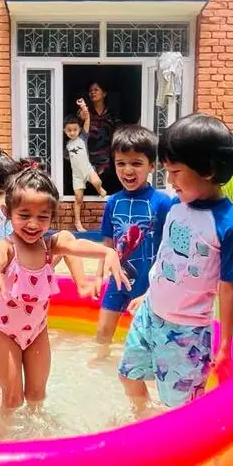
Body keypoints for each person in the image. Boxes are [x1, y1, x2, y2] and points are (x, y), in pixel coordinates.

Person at [119, 114, 233, 413]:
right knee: (128, 375)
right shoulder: (176, 206)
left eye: (176, 171)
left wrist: (226, 342)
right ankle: (142, 422)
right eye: (166, 170)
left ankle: (173, 446)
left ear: (208, 170)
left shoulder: (229, 226)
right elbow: (166, 257)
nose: (169, 180)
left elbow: (229, 288)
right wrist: (149, 293)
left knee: (179, 406)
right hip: (151, 314)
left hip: (187, 330)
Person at [0, 165, 127, 410]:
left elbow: (76, 245)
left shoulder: (49, 246)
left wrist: (107, 251)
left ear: (52, 216)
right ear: (7, 212)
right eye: (24, 215)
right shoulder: (7, 247)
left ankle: (37, 437)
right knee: (12, 400)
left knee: (37, 396)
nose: (33, 224)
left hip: (37, 332)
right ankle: (4, 440)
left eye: (42, 217)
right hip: (6, 333)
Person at [83, 125, 173, 356]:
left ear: (152, 165)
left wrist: (160, 286)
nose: (128, 170)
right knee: (102, 333)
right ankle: (100, 370)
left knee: (144, 340)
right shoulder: (113, 202)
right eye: (121, 163)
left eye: (136, 163)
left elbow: (168, 248)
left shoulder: (163, 203)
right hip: (118, 279)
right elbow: (109, 245)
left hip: (148, 282)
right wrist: (98, 276)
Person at [63, 115, 107, 230]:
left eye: (75, 130)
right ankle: (78, 222)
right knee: (78, 198)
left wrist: (85, 111)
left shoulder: (82, 138)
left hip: (88, 169)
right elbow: (67, 158)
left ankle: (99, 189)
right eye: (69, 130)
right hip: (76, 175)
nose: (72, 133)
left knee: (97, 181)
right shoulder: (67, 145)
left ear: (79, 130)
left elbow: (87, 121)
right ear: (65, 131)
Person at [76, 81, 117, 192]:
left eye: (96, 90)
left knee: (107, 188)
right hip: (88, 156)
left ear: (104, 94)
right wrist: (82, 118)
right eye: (90, 91)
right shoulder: (84, 112)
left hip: (107, 159)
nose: (92, 92)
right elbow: (76, 132)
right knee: (90, 189)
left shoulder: (112, 114)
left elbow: (118, 134)